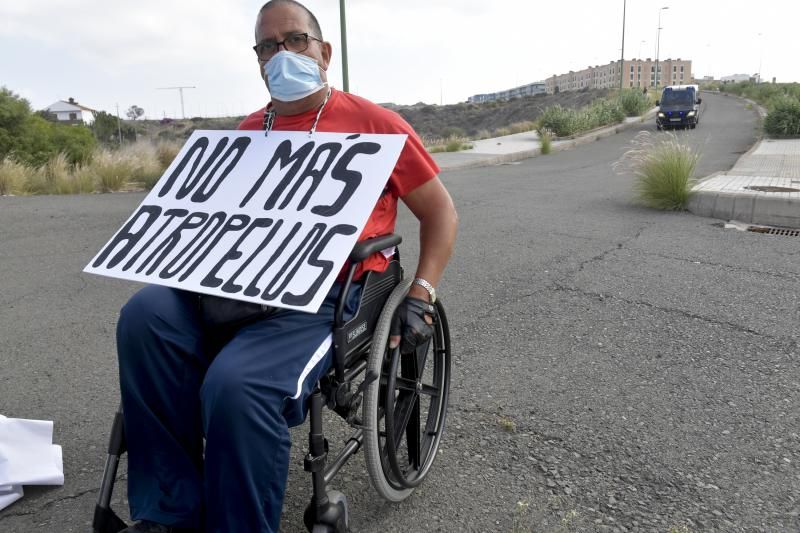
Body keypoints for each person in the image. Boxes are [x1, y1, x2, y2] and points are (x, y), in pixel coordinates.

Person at [116, 1, 458, 531]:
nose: (282, 54)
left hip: (327, 293)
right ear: (257, 61)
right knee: (144, 316)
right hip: (241, 279)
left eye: (295, 40)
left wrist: (422, 292)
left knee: (235, 386)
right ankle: (170, 510)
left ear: (323, 51)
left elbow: (441, 214)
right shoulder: (248, 131)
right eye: (268, 46)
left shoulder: (377, 125)